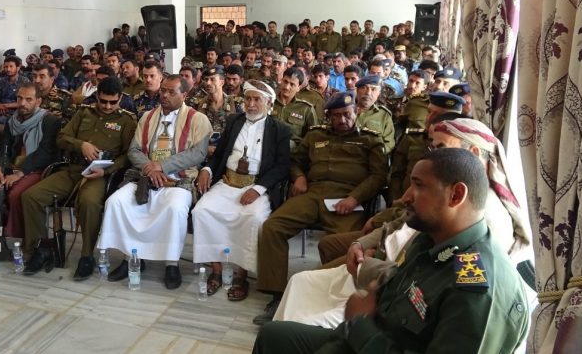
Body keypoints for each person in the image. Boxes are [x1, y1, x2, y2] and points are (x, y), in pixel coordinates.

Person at [254, 148, 529, 354]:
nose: (404, 197)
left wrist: (360, 323)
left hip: (372, 341)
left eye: (418, 186)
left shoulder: (478, 292)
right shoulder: (430, 241)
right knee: (273, 336)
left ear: (456, 195)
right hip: (372, 338)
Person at [253, 92, 388, 324]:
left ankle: (327, 300)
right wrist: (299, 177)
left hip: (346, 199)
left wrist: (355, 198)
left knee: (344, 245)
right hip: (312, 193)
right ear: (329, 116)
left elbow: (378, 176)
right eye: (336, 115)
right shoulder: (315, 135)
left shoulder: (370, 140)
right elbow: (296, 161)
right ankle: (276, 295)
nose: (342, 119)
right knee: (272, 227)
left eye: (346, 114)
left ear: (356, 111)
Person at [98, 75, 212, 289]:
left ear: (184, 94)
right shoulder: (147, 117)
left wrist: (162, 166)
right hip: (144, 177)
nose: (165, 95)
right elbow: (134, 150)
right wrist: (150, 169)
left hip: (178, 179)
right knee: (116, 202)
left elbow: (198, 153)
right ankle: (131, 258)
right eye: (163, 91)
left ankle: (171, 263)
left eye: (171, 92)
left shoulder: (198, 119)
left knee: (175, 208)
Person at [21, 77, 137, 278]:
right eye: (103, 101)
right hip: (72, 170)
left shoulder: (127, 121)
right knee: (31, 196)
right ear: (97, 96)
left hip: (98, 174)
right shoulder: (84, 112)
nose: (107, 106)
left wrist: (107, 171)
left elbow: (128, 155)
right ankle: (40, 249)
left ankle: (87, 256)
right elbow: (61, 138)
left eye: (113, 102)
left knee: (89, 202)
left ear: (120, 99)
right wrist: (81, 145)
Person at [192, 80, 291, 300]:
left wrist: (259, 188)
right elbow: (219, 153)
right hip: (227, 182)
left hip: (256, 186)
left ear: (269, 103)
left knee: (252, 218)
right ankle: (216, 271)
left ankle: (240, 275)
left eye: (257, 99)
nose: (251, 104)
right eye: (248, 99)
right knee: (202, 211)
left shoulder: (280, 130)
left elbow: (283, 166)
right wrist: (207, 169)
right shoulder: (234, 121)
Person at [0, 83, 62, 258]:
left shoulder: (50, 121)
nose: (22, 103)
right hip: (9, 168)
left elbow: (45, 153)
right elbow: (4, 147)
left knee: (16, 195)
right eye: (19, 98)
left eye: (28, 99)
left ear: (38, 101)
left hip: (36, 170)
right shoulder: (12, 121)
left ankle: (19, 241)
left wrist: (20, 173)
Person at [193, 66, 245, 157]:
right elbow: (194, 132)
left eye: (212, 79)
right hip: (204, 153)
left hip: (227, 153)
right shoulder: (198, 104)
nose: (208, 83)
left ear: (222, 82)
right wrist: (205, 148)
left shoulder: (236, 103)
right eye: (206, 79)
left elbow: (241, 132)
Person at [270, 67, 317, 149]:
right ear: (281, 81)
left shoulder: (306, 109)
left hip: (293, 152)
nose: (286, 87)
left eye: (292, 84)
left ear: (298, 88)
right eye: (285, 82)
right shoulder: (269, 103)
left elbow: (314, 136)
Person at [354, 75, 395, 154]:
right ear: (357, 90)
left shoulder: (384, 115)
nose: (368, 93)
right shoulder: (344, 110)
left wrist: (375, 154)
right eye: (364, 88)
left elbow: (389, 144)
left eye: (373, 89)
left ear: (378, 94)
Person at [0, 55, 30, 122]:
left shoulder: (25, 82)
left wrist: (5, 106)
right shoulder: (1, 81)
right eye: (6, 67)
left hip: (15, 112)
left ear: (18, 68)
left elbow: (27, 101)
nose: (8, 69)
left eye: (11, 66)